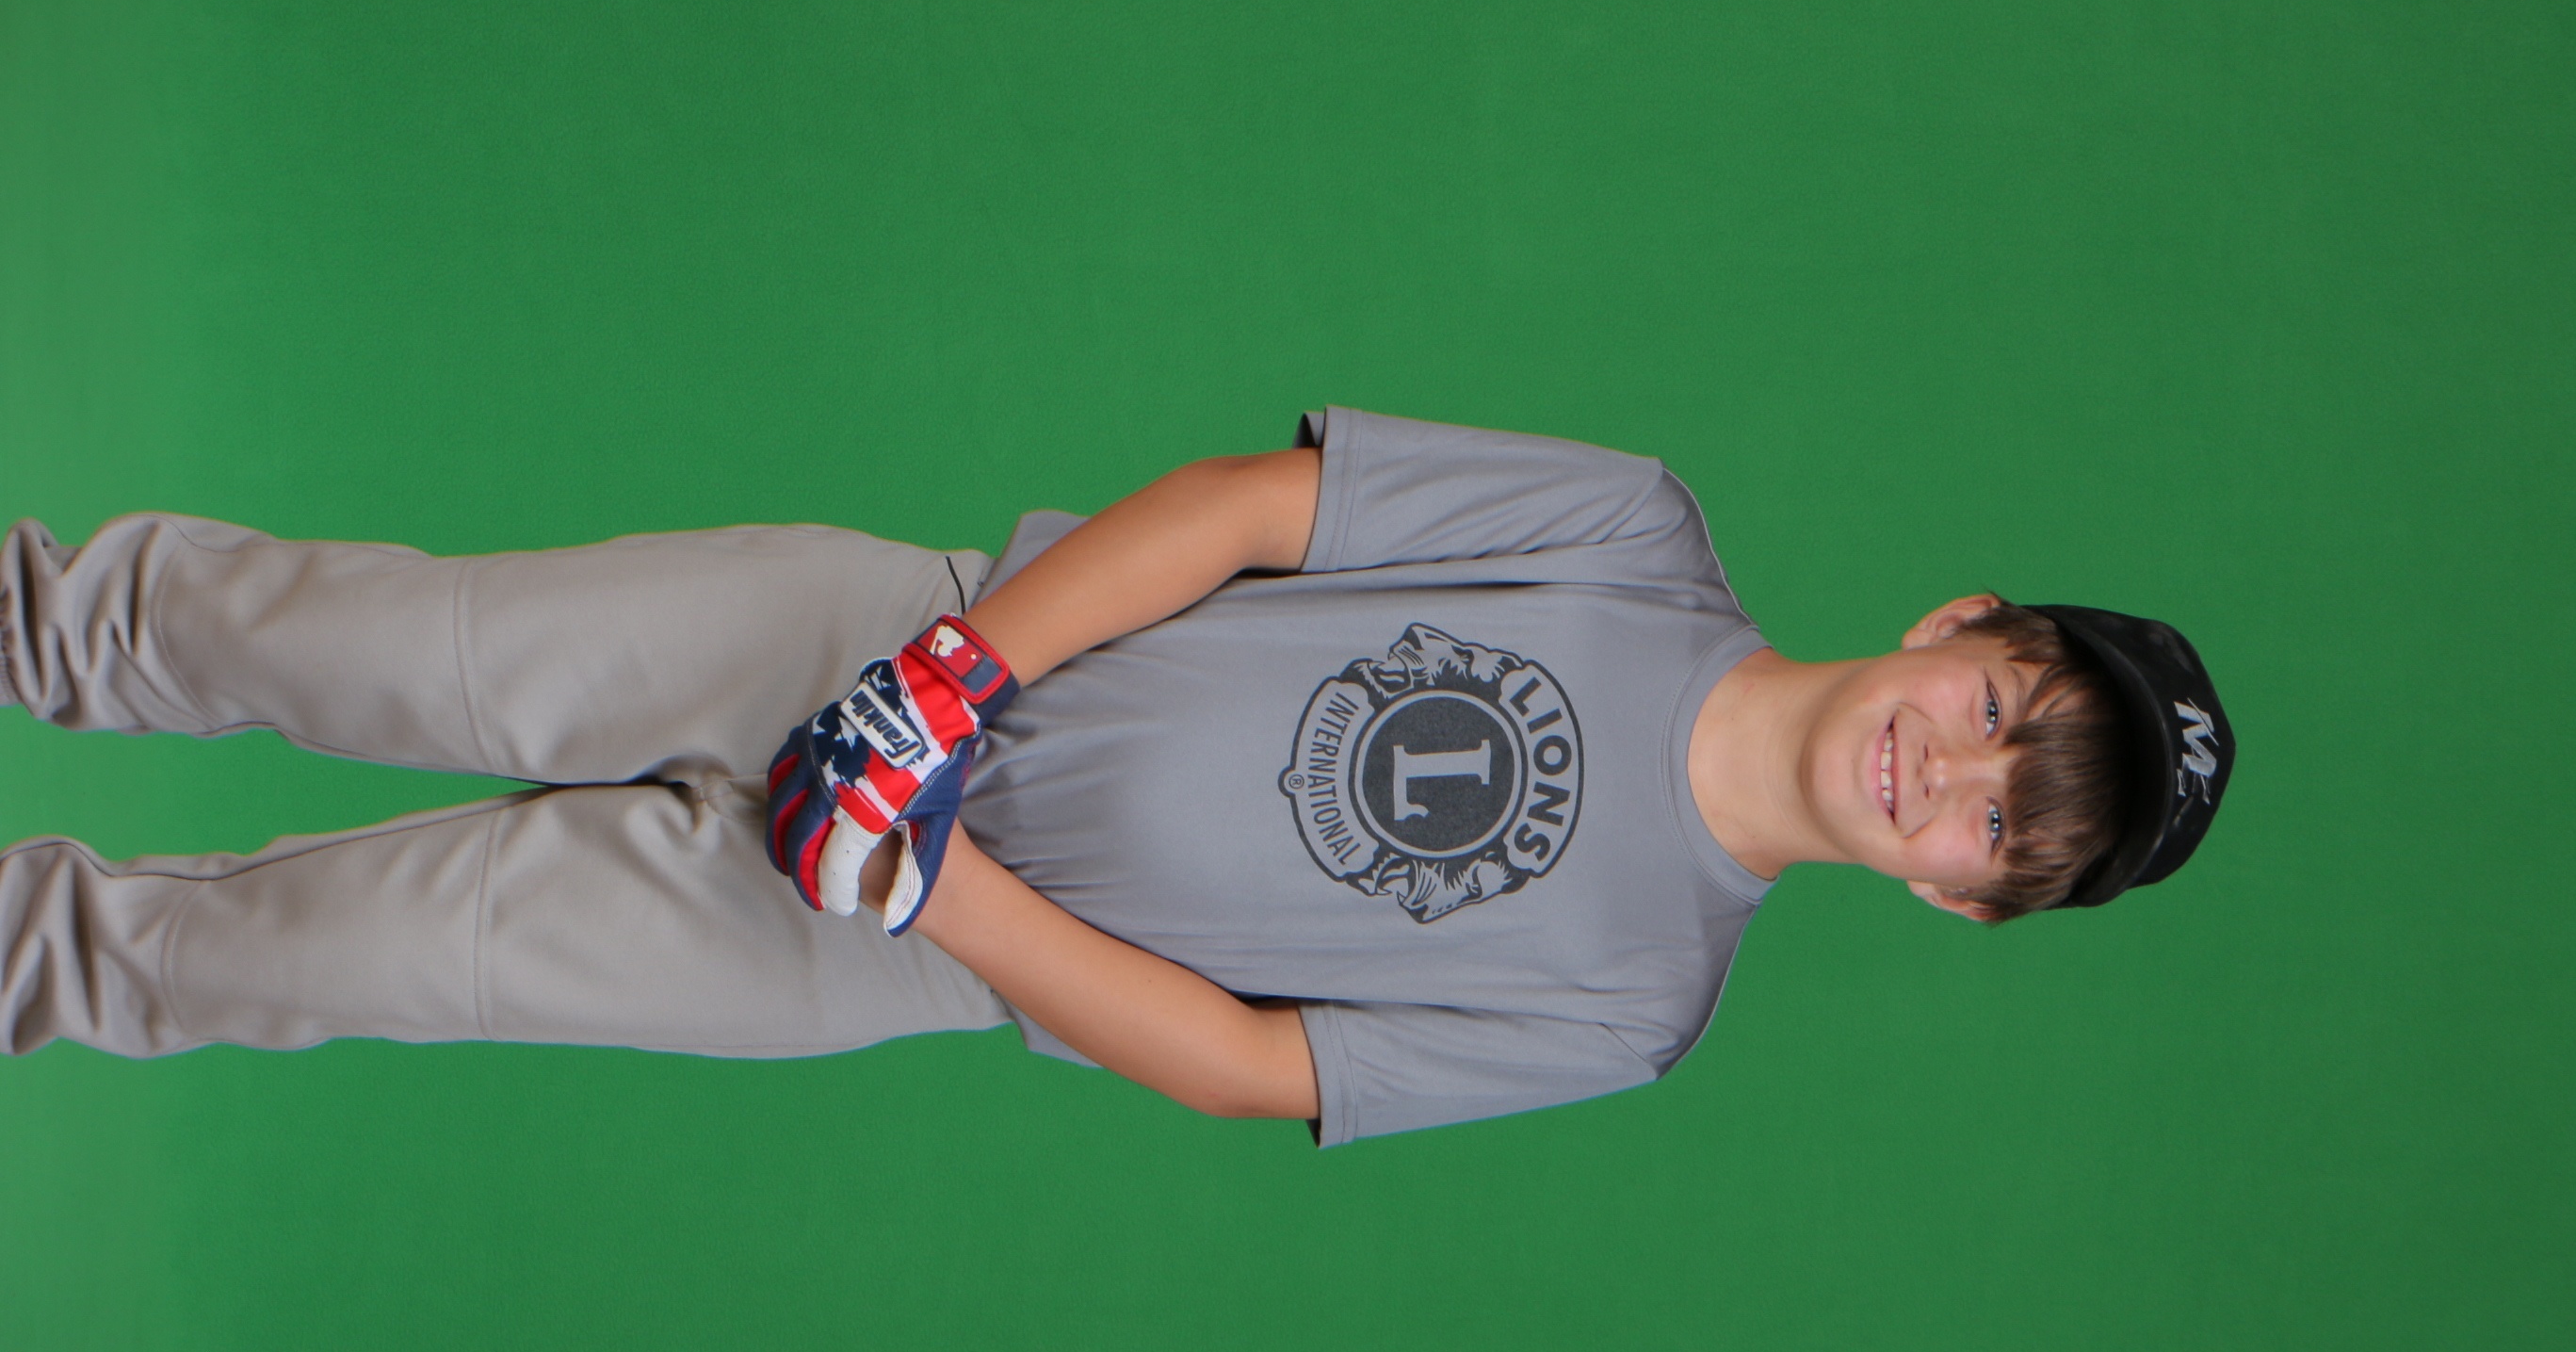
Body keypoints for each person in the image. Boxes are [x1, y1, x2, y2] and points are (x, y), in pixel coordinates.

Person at [0, 411, 2231, 1143]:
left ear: (1958, 897)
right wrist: (938, 687)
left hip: (881, 940)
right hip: (880, 641)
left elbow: (1265, 1065)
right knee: (367, 644)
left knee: (350, 955)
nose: (1954, 773)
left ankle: (42, 956)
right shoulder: (1633, 535)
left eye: (1998, 828)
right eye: (2001, 710)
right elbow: (1258, 510)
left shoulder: (1635, 1002)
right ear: (1961, 622)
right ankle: (44, 621)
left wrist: (924, 887)